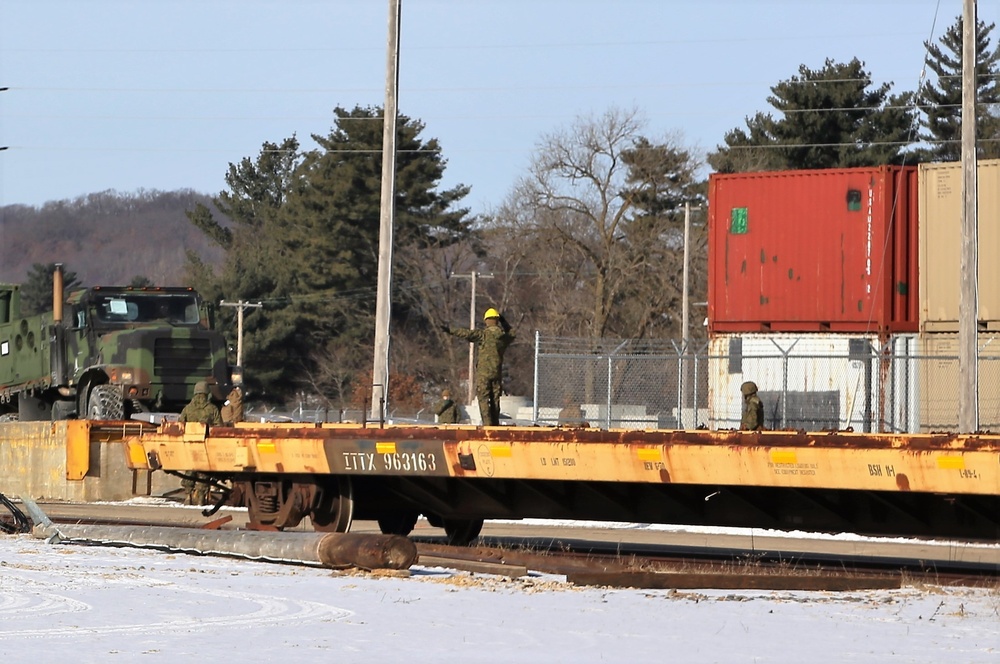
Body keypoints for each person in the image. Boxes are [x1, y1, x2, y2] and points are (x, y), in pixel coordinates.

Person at [443, 308, 515, 426]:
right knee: (495, 399)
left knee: (484, 399)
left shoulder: (483, 335)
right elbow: (513, 333)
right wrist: (503, 321)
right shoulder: (503, 337)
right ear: (497, 320)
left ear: (486, 320)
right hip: (497, 373)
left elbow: (466, 333)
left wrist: (450, 330)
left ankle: (488, 425)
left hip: (483, 373)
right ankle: (495, 424)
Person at [178, 381, 222, 505]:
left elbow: (180, 424)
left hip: (190, 444)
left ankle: (188, 495)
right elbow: (220, 427)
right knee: (204, 471)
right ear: (207, 393)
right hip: (206, 445)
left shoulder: (187, 408)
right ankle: (201, 497)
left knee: (190, 469)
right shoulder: (212, 409)